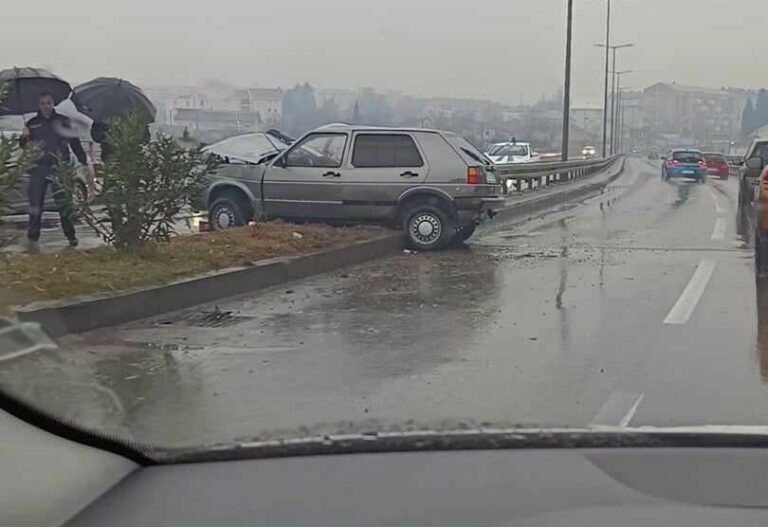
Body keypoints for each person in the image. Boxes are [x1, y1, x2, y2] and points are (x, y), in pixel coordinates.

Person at [19, 92, 88, 251]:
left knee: (64, 204)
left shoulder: (62, 121)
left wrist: (83, 160)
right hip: (38, 168)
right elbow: (24, 146)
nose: (46, 106)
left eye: (48, 102)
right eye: (42, 103)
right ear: (38, 105)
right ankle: (33, 238)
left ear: (53, 103)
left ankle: (71, 236)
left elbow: (75, 142)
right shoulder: (32, 123)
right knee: (35, 204)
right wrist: (24, 136)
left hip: (59, 168)